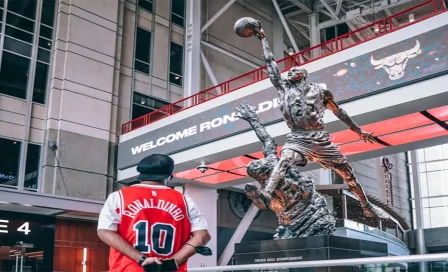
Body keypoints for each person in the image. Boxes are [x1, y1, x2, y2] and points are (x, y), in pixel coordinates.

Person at [250, 21, 379, 218]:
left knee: (348, 174)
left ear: (305, 75)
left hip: (320, 139)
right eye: (290, 71)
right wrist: (263, 39)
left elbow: (340, 112)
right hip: (298, 138)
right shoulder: (284, 89)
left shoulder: (321, 91)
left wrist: (358, 131)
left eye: (296, 70)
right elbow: (270, 63)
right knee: (284, 159)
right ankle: (266, 193)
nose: (291, 71)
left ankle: (366, 205)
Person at [97, 154, 211, 271]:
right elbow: (203, 236)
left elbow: (105, 231)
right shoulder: (185, 201)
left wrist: (142, 259)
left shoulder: (118, 197)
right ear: (169, 177)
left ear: (140, 176)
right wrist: (174, 261)